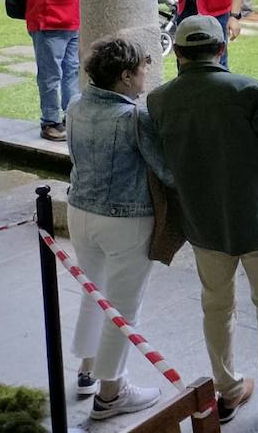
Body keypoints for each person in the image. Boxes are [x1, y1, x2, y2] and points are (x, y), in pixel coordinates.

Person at [147, 17, 258, 424]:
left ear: (178, 53)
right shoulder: (247, 90)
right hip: (256, 218)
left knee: (215, 307)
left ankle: (229, 391)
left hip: (203, 222)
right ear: (220, 49)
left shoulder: (160, 100)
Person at [66, 36, 170, 419]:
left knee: (94, 292)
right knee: (123, 307)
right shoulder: (134, 118)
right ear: (126, 76)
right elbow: (167, 171)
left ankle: (87, 368)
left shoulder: (75, 105)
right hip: (125, 219)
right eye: (144, 68)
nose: (148, 74)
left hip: (80, 212)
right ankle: (112, 392)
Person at [22, 0, 81, 141]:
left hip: (70, 21)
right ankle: (50, 122)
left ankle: (71, 117)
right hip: (49, 22)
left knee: (71, 72)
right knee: (50, 75)